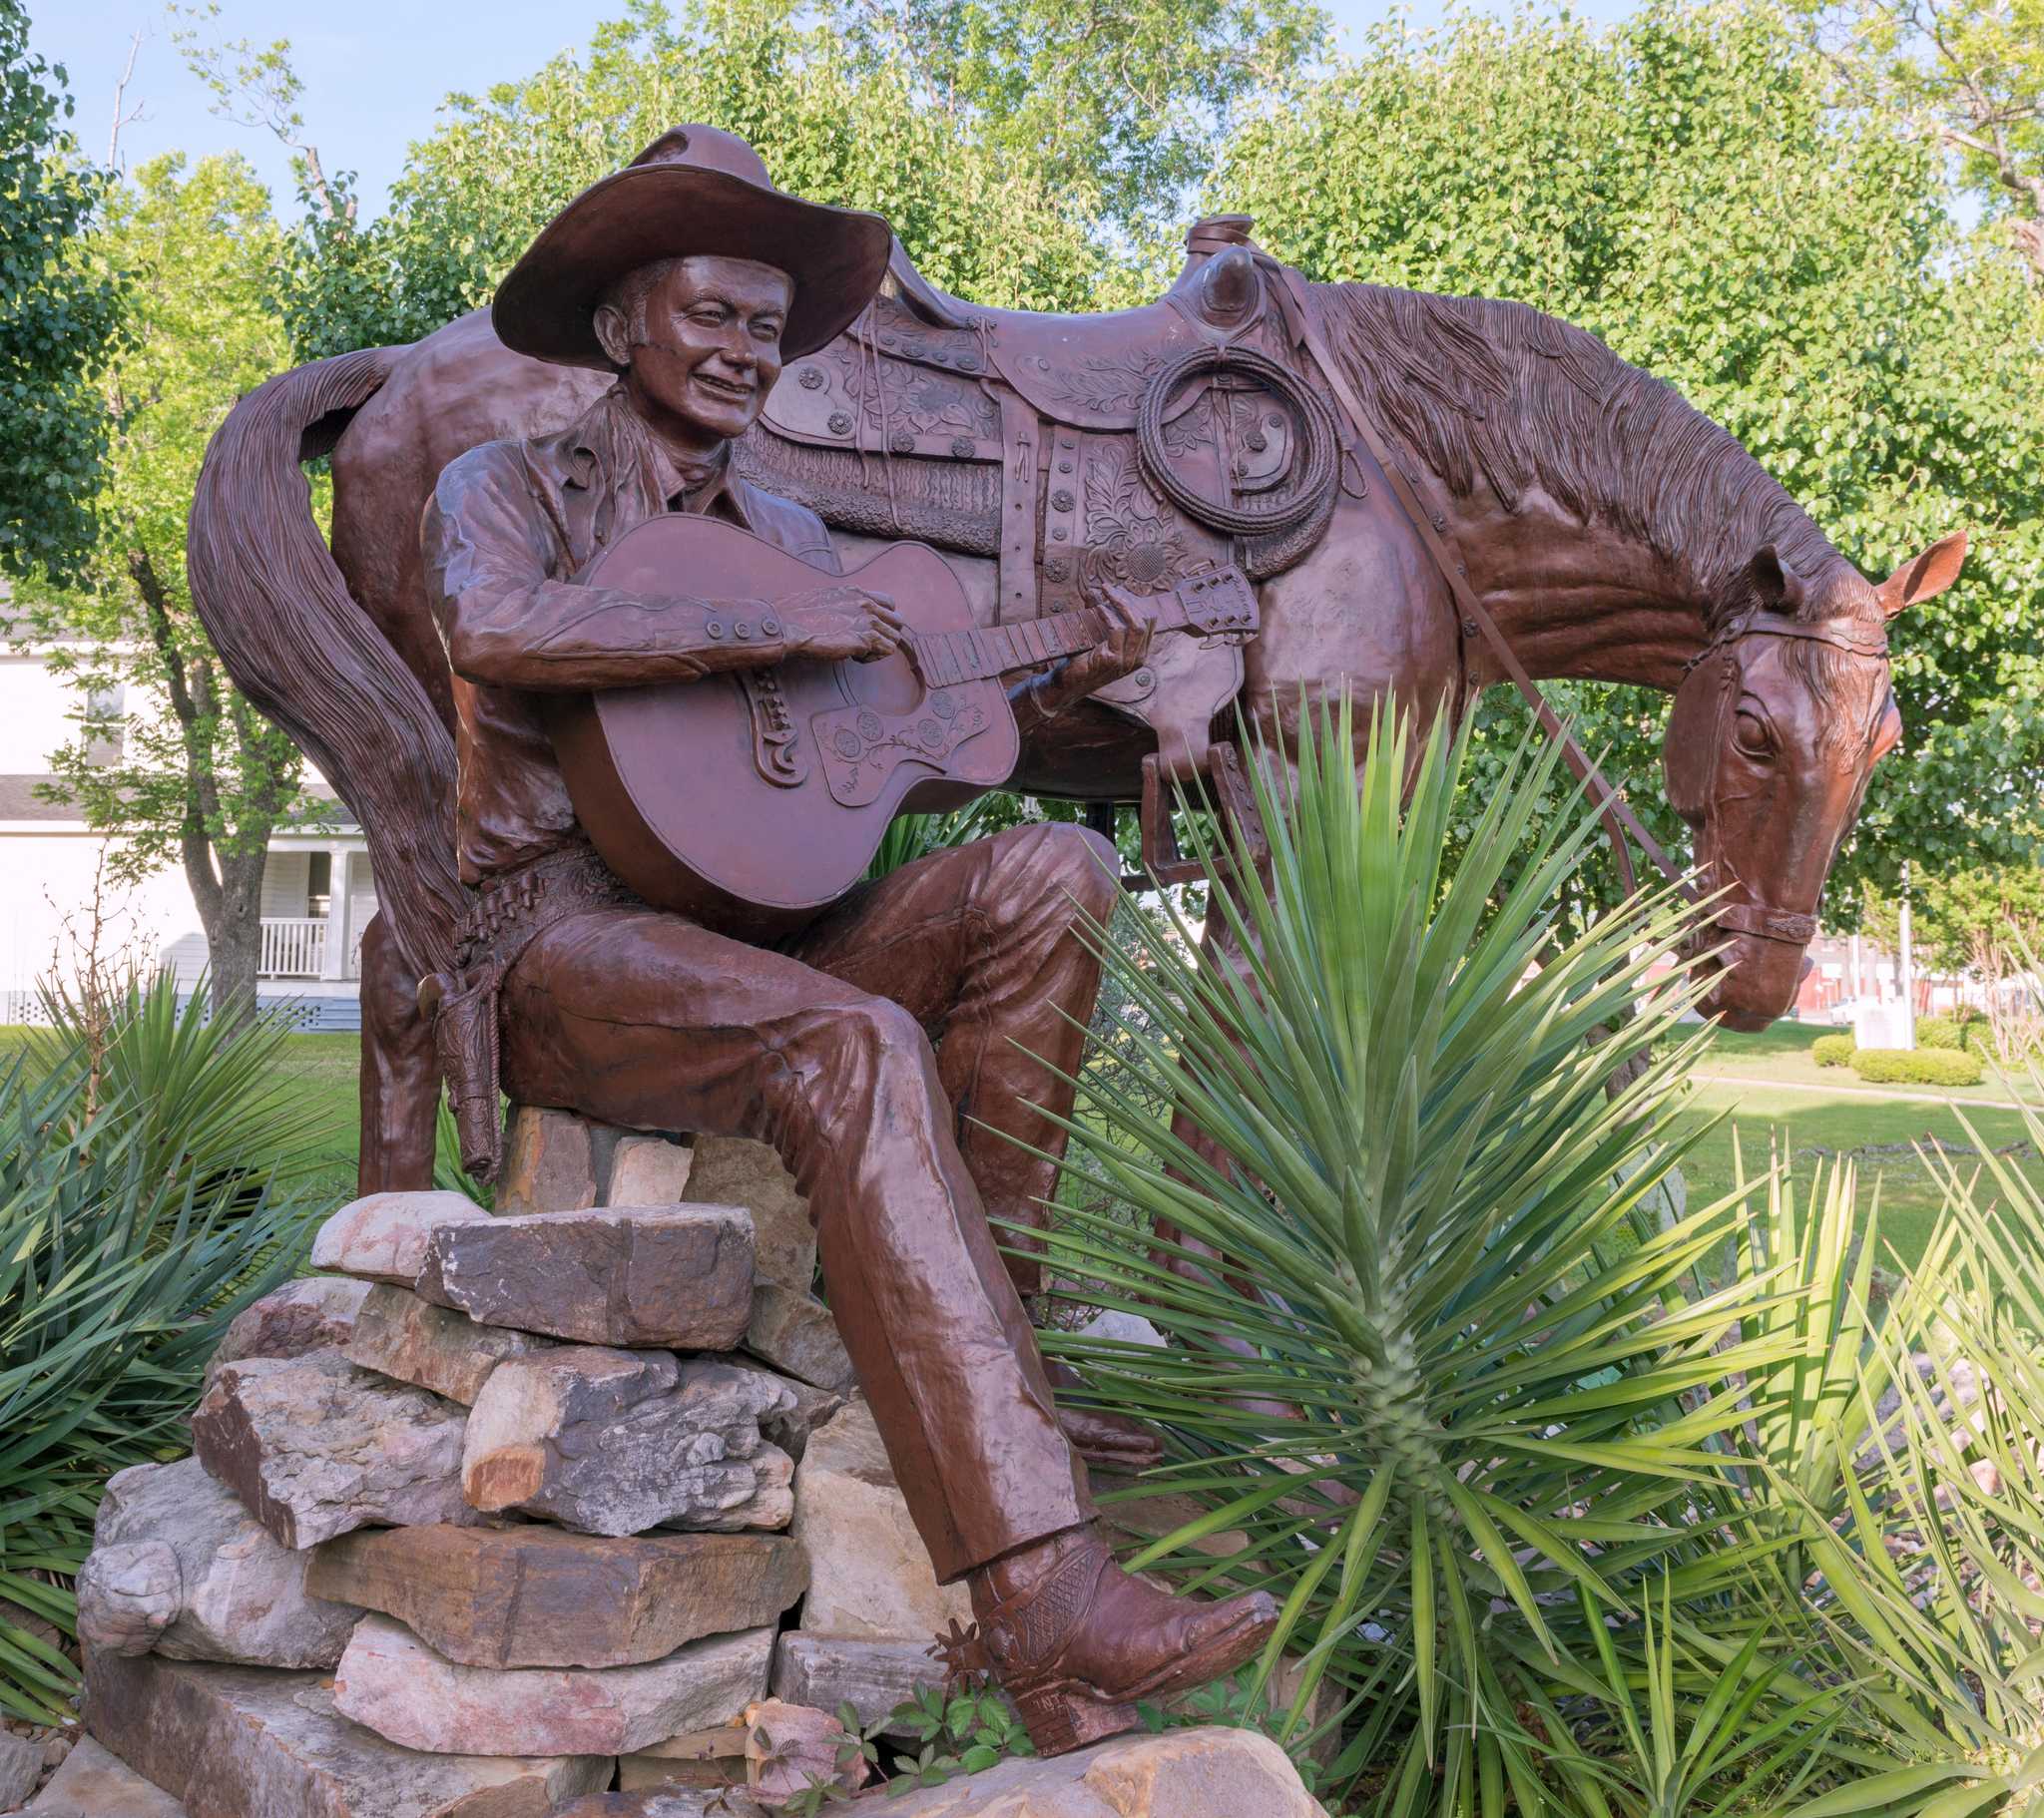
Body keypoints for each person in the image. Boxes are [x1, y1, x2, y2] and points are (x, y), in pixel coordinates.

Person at [418, 125, 1277, 1757]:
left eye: (766, 325)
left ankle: (987, 1369)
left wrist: (1051, 677)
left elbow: (877, 740)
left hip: (774, 932)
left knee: (1050, 873)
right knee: (852, 1039)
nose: (746, 351)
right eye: (711, 317)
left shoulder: (801, 534)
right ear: (619, 328)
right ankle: (1041, 1588)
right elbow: (499, 628)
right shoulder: (507, 488)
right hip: (568, 945)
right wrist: (770, 621)